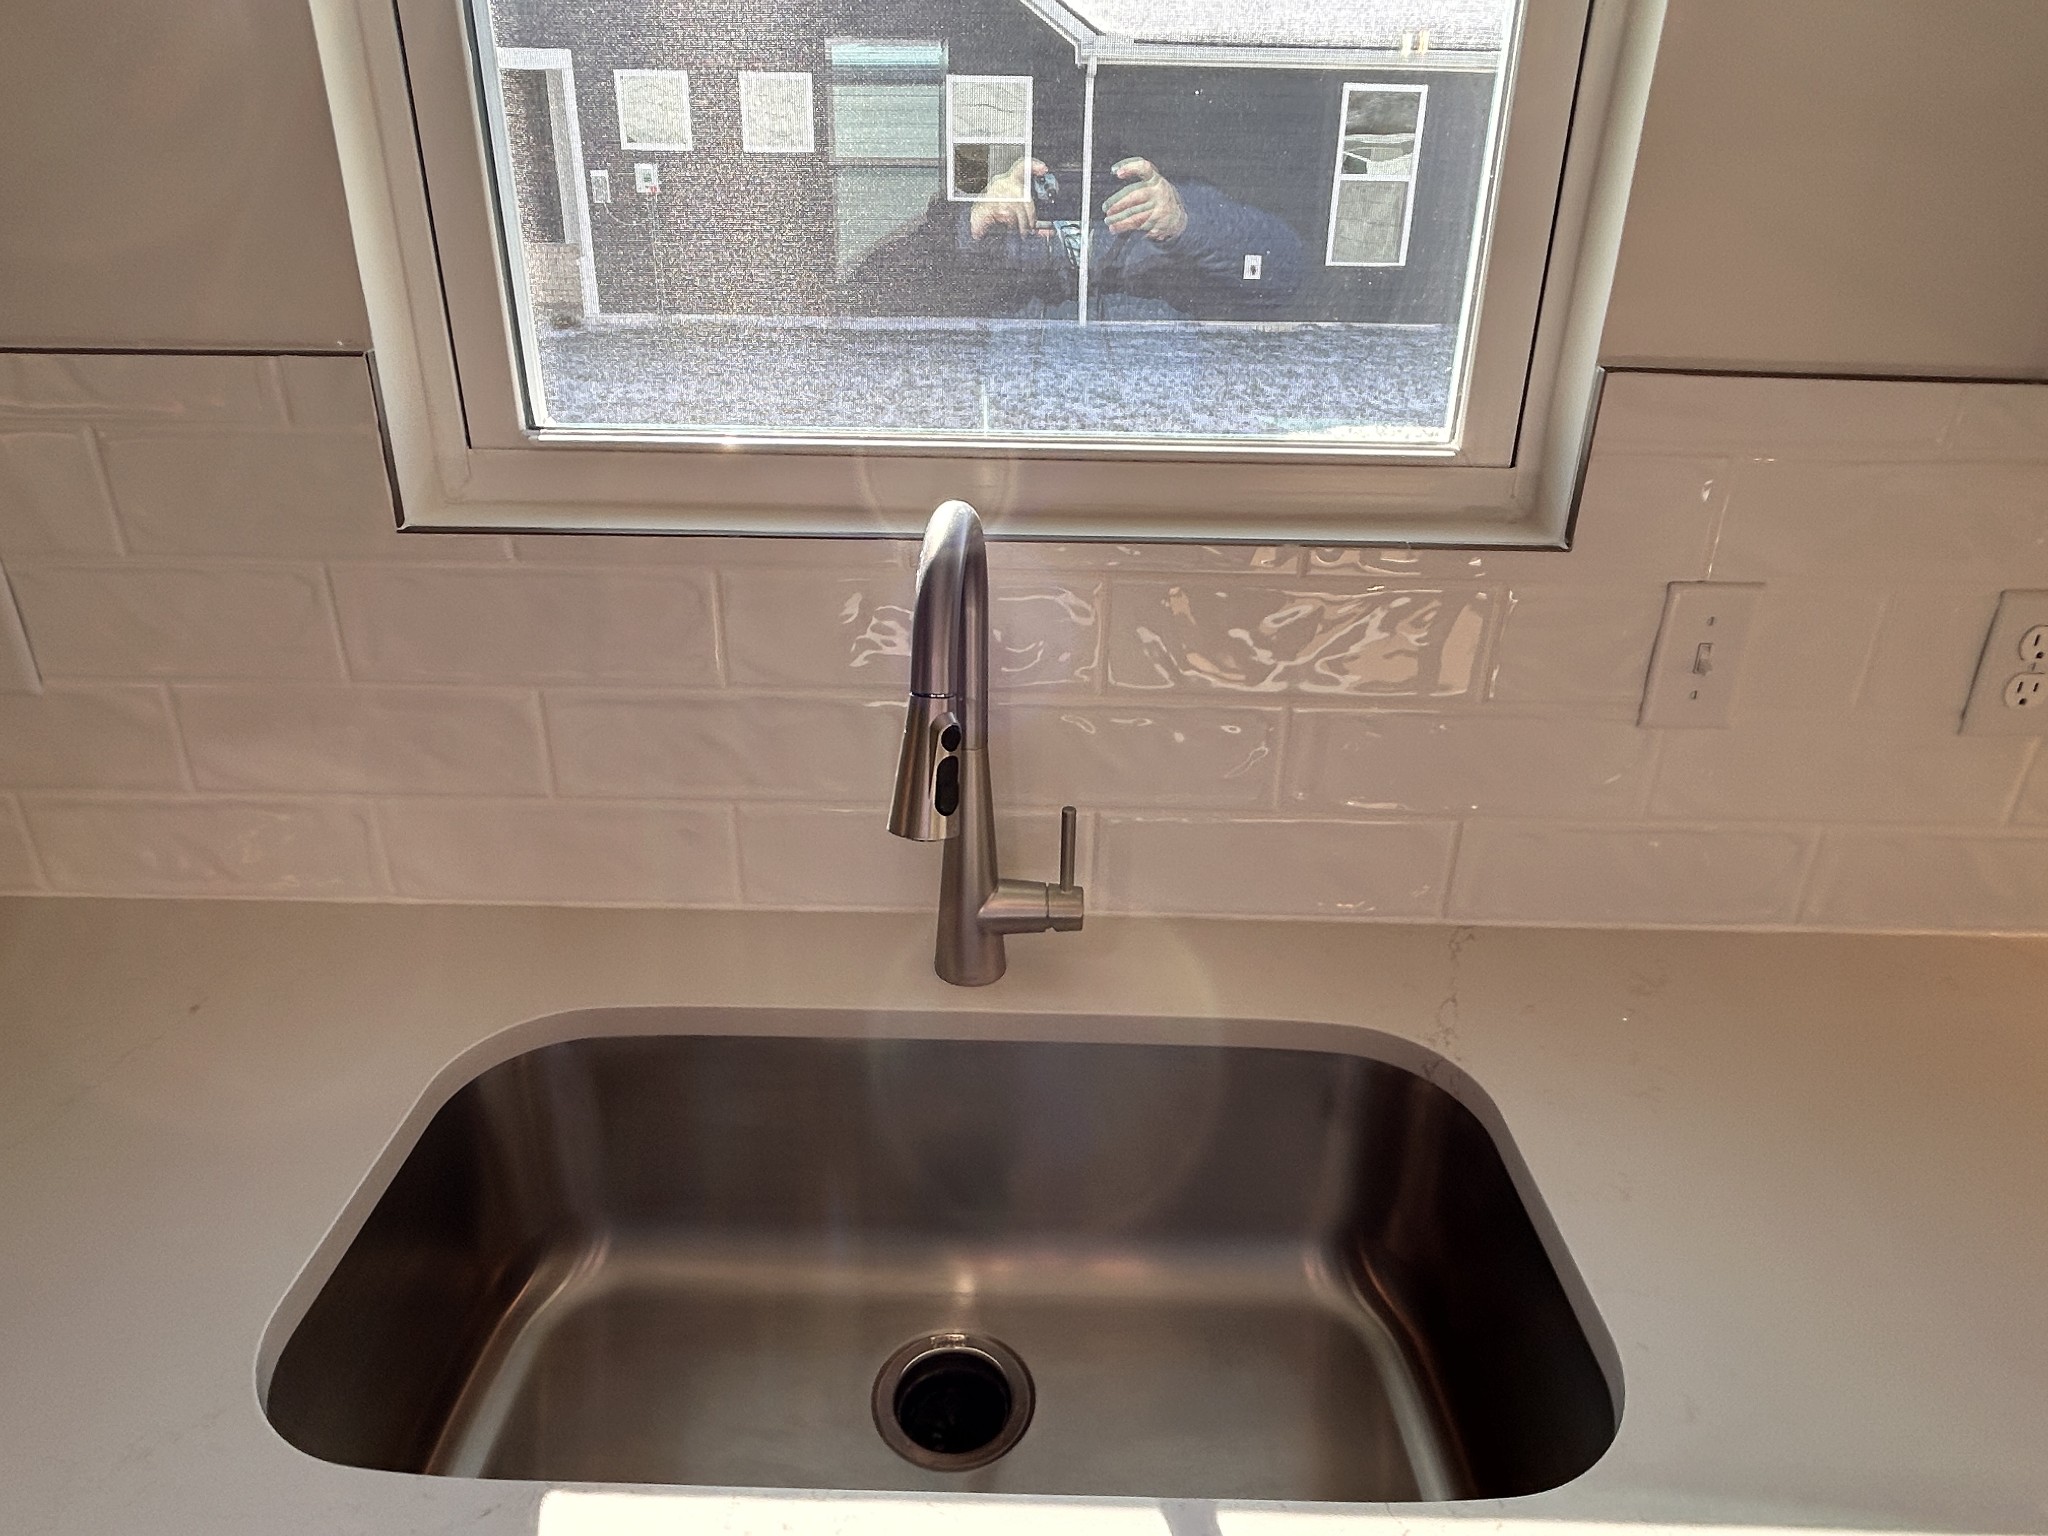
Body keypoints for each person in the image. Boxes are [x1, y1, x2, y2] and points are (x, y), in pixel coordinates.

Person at [851, 154, 1305, 321]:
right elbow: (865, 295)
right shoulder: (986, 211)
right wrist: (970, 226)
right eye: (1047, 176)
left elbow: (1287, 275)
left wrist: (1187, 224)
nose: (1063, 186)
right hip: (1011, 430)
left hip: (1153, 414)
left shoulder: (1169, 200)